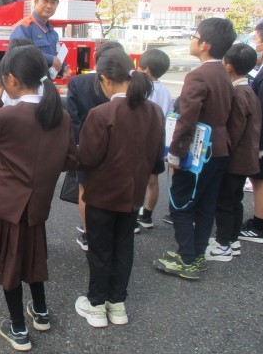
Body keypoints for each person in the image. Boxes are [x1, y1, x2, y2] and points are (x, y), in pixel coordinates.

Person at [0, 45, 77, 351]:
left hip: (7, 205)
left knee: (10, 266)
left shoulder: (5, 116)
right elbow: (70, 159)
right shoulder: (60, 117)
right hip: (37, 205)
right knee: (32, 258)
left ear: (12, 80)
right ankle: (40, 312)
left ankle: (18, 329)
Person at [75, 50, 164, 328]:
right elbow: (156, 156)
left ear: (104, 79)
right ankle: (117, 304)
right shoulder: (154, 111)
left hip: (102, 193)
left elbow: (87, 158)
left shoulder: (101, 113)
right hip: (133, 193)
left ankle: (96, 305)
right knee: (124, 246)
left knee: (100, 249)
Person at [154, 18, 236, 280]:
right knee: (205, 205)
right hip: (220, 148)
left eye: (194, 36)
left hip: (198, 152)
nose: (192, 40)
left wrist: (175, 152)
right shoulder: (223, 72)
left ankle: (187, 259)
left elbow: (187, 119)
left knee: (180, 203)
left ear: (204, 44)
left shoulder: (198, 75)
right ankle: (196, 254)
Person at [66, 41, 126, 251]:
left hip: (86, 145)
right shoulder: (127, 85)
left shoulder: (78, 82)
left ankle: (87, 233)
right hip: (120, 147)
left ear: (95, 58)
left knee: (85, 190)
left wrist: (77, 144)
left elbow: (73, 118)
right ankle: (114, 232)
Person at [207, 44, 261, 260]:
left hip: (234, 160)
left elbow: (233, 132)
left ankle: (223, 246)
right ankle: (232, 240)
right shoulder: (249, 89)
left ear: (228, 66)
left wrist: (220, 154)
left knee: (225, 202)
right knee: (234, 200)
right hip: (246, 158)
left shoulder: (238, 93)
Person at [239, 20, 263, 243]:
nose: (253, 44)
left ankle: (259, 226)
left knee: (262, 180)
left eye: (256, 39)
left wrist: (257, 144)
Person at [136, 49, 174, 228]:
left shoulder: (142, 88)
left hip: (141, 140)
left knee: (136, 180)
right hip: (158, 140)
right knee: (153, 180)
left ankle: (133, 215)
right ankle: (147, 216)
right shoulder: (166, 91)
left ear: (146, 69)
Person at [9, 0, 71, 78]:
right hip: (27, 83)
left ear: (57, 6)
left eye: (53, 3)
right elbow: (19, 55)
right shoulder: (24, 27)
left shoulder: (53, 34)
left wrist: (63, 68)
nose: (49, 6)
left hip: (45, 82)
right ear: (36, 2)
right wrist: (51, 59)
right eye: (45, 1)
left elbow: (55, 57)